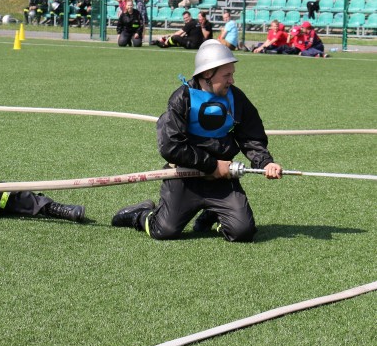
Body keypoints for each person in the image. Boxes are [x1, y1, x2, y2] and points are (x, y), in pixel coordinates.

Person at [111, 40, 282, 242]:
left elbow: (250, 136)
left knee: (242, 232)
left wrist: (265, 162)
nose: (232, 80)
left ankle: (215, 214)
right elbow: (171, 146)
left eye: (232, 74)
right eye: (226, 75)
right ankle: (140, 214)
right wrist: (212, 165)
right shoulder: (181, 98)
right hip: (185, 177)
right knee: (164, 230)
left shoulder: (236, 98)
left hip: (221, 180)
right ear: (207, 74)